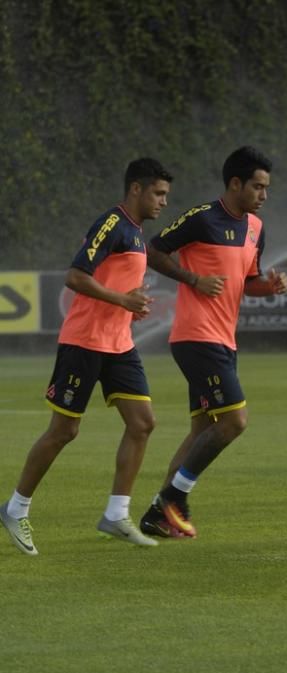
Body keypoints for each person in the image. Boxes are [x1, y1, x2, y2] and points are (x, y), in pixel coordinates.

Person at [0, 157, 173, 555]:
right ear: (136, 189)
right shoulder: (111, 224)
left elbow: (117, 287)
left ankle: (116, 514)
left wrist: (131, 305)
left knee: (143, 423)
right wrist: (122, 299)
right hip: (84, 341)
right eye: (158, 193)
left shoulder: (136, 234)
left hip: (119, 344)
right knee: (64, 431)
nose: (163, 201)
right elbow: (76, 276)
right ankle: (15, 508)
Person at [139, 146, 287, 538]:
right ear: (235, 183)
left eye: (266, 188)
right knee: (234, 421)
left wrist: (268, 287)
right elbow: (153, 251)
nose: (264, 195)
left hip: (224, 339)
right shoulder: (203, 218)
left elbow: (246, 284)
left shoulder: (256, 228)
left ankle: (157, 513)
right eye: (257, 186)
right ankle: (176, 497)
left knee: (202, 429)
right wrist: (193, 279)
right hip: (196, 336)